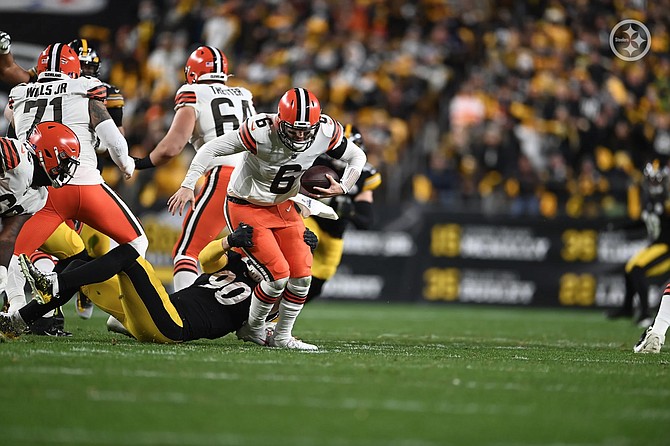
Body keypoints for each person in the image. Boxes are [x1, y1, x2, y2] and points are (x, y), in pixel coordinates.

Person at [168, 87, 367, 350]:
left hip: (283, 206)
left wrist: (344, 186)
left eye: (305, 130)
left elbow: (357, 156)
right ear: (280, 121)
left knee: (302, 276)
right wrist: (187, 183)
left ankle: (283, 336)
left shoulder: (325, 130)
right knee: (277, 277)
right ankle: (254, 329)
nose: (300, 135)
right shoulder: (260, 130)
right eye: (294, 129)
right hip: (246, 204)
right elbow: (210, 149)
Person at [3, 43, 147, 327]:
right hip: (83, 181)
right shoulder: (86, 87)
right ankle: (71, 285)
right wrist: (127, 164)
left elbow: (14, 133)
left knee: (19, 254)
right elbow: (113, 139)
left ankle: (17, 312)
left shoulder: (19, 94)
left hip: (42, 188)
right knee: (136, 243)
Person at [0, 224, 318, 344]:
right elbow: (206, 260)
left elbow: (254, 329)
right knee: (82, 265)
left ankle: (54, 283)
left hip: (172, 325)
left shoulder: (275, 290)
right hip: (158, 309)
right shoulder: (237, 260)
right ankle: (20, 320)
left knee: (130, 257)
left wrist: (302, 251)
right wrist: (227, 242)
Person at [133, 45, 256, 291]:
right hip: (255, 180)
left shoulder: (192, 91)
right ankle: (259, 321)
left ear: (192, 73)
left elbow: (172, 146)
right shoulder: (244, 94)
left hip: (225, 175)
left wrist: (140, 163)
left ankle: (181, 316)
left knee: (187, 252)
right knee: (250, 256)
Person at [0, 121, 80, 310]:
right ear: (49, 153)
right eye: (64, 161)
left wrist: (1, 271)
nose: (66, 170)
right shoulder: (15, 155)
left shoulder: (38, 197)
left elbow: (9, 236)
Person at [303, 124, 381, 302]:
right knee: (300, 252)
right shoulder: (314, 161)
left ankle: (276, 317)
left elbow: (365, 221)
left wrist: (348, 211)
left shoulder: (366, 175)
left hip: (334, 230)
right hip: (309, 218)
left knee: (320, 279)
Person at [607, 160, 670, 327]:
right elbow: (643, 222)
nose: (654, 184)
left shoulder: (666, 201)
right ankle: (627, 308)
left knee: (637, 269)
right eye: (651, 180)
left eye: (657, 180)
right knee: (629, 268)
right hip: (656, 245)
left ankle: (645, 314)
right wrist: (618, 227)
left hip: (666, 247)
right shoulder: (649, 200)